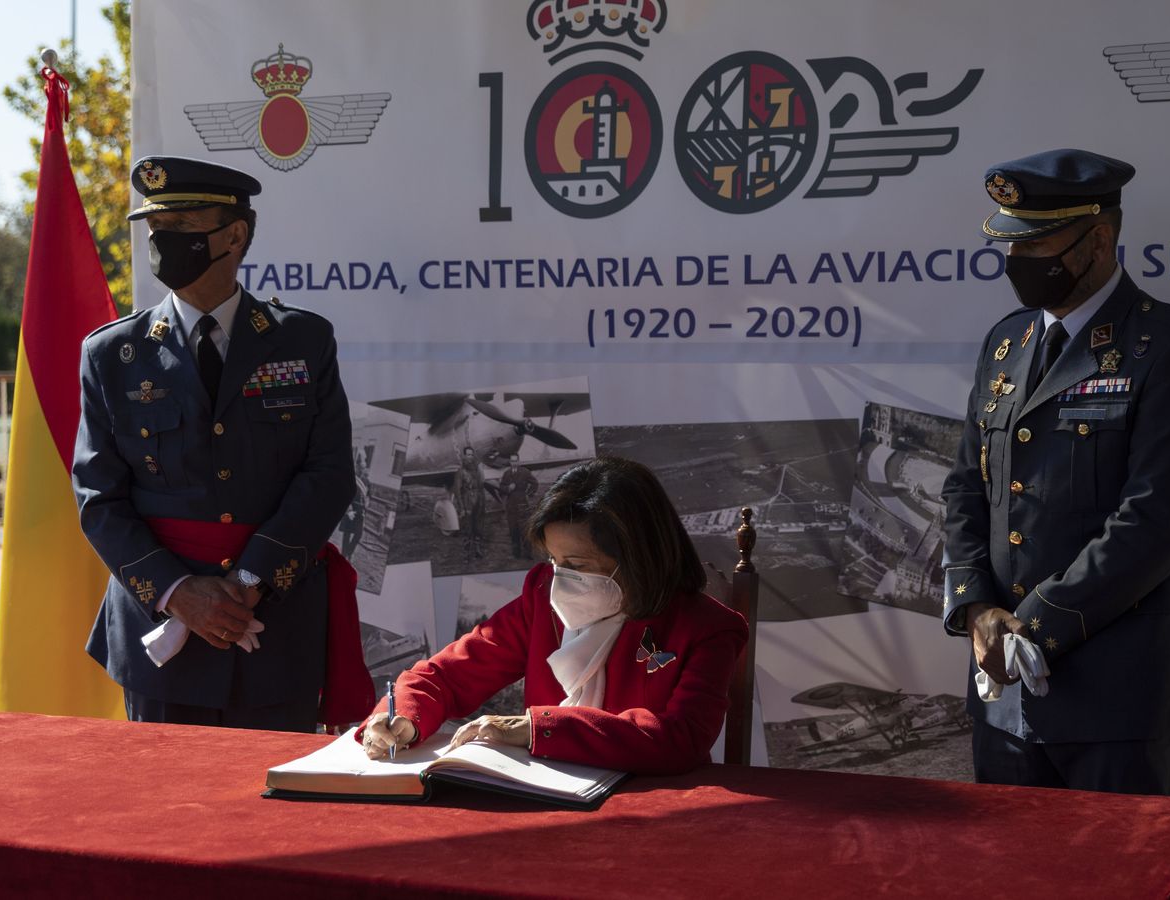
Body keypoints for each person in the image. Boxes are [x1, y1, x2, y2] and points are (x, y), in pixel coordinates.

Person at [939, 149, 1170, 796]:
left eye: (1037, 245)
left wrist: (1033, 625)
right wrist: (979, 610)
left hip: (1116, 702)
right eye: (1011, 244)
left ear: (1099, 239)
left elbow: (1155, 522)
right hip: (1004, 699)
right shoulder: (1006, 345)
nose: (1018, 263)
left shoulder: (1168, 346)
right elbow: (966, 486)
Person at [73, 155, 368, 732]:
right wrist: (178, 593)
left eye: (181, 229)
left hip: (274, 632)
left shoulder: (303, 340)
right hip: (163, 642)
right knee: (162, 811)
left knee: (275, 808)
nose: (161, 243)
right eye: (157, 230)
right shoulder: (112, 355)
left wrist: (251, 582)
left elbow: (327, 474)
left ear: (234, 234)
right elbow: (97, 496)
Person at [359, 456, 748, 775]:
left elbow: (681, 739)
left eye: (576, 563)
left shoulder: (708, 629)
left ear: (638, 556)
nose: (560, 578)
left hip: (653, 810)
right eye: (554, 560)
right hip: (544, 795)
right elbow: (445, 675)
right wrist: (405, 717)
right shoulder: (542, 598)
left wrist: (535, 729)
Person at [498, 452, 539, 559]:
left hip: (522, 504)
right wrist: (508, 489)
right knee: (513, 529)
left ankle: (528, 554)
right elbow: (501, 487)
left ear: (519, 461)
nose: (514, 463)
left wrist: (528, 494)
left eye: (516, 461)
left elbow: (535, 483)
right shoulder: (506, 473)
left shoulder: (525, 472)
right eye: (512, 461)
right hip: (510, 505)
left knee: (524, 529)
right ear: (510, 462)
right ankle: (516, 553)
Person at [452, 445, 486, 559]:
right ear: (464, 456)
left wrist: (482, 502)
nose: (470, 457)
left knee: (478, 528)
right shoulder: (460, 472)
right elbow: (457, 491)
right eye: (468, 454)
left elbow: (481, 485)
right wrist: (461, 508)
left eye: (472, 454)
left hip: (478, 501)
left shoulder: (477, 470)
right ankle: (466, 553)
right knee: (467, 529)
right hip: (467, 501)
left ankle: (477, 550)